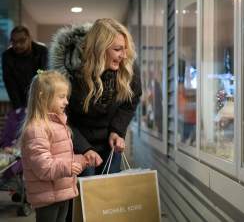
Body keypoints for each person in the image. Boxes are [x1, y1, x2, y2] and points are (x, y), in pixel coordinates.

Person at [49, 18, 142, 175]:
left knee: (109, 195)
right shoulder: (69, 74)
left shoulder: (127, 67)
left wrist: (117, 131)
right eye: (118, 49)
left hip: (110, 144)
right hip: (75, 143)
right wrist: (84, 148)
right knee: (85, 194)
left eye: (125, 49)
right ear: (100, 48)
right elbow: (60, 117)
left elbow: (131, 101)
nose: (124, 55)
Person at [19, 70, 88, 222]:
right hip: (47, 197)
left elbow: (62, 157)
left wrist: (83, 159)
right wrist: (68, 167)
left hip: (62, 192)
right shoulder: (36, 129)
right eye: (61, 97)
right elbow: (43, 167)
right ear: (43, 98)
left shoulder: (58, 124)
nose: (66, 102)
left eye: (66, 97)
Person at [2, 25, 48, 109]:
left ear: (30, 38)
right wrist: (18, 107)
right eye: (14, 41)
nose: (17, 45)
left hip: (41, 96)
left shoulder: (41, 51)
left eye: (22, 41)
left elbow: (42, 73)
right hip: (19, 97)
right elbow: (9, 82)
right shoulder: (7, 56)